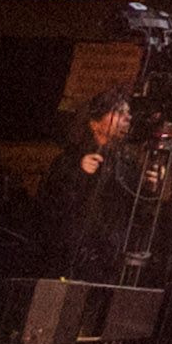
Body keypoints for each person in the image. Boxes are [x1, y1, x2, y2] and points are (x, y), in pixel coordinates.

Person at [53, 89, 141, 281]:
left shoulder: (127, 162)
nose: (127, 118)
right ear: (95, 123)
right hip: (75, 253)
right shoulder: (71, 158)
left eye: (127, 113)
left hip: (112, 253)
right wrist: (80, 173)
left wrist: (149, 187)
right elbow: (55, 204)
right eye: (118, 112)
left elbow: (135, 209)